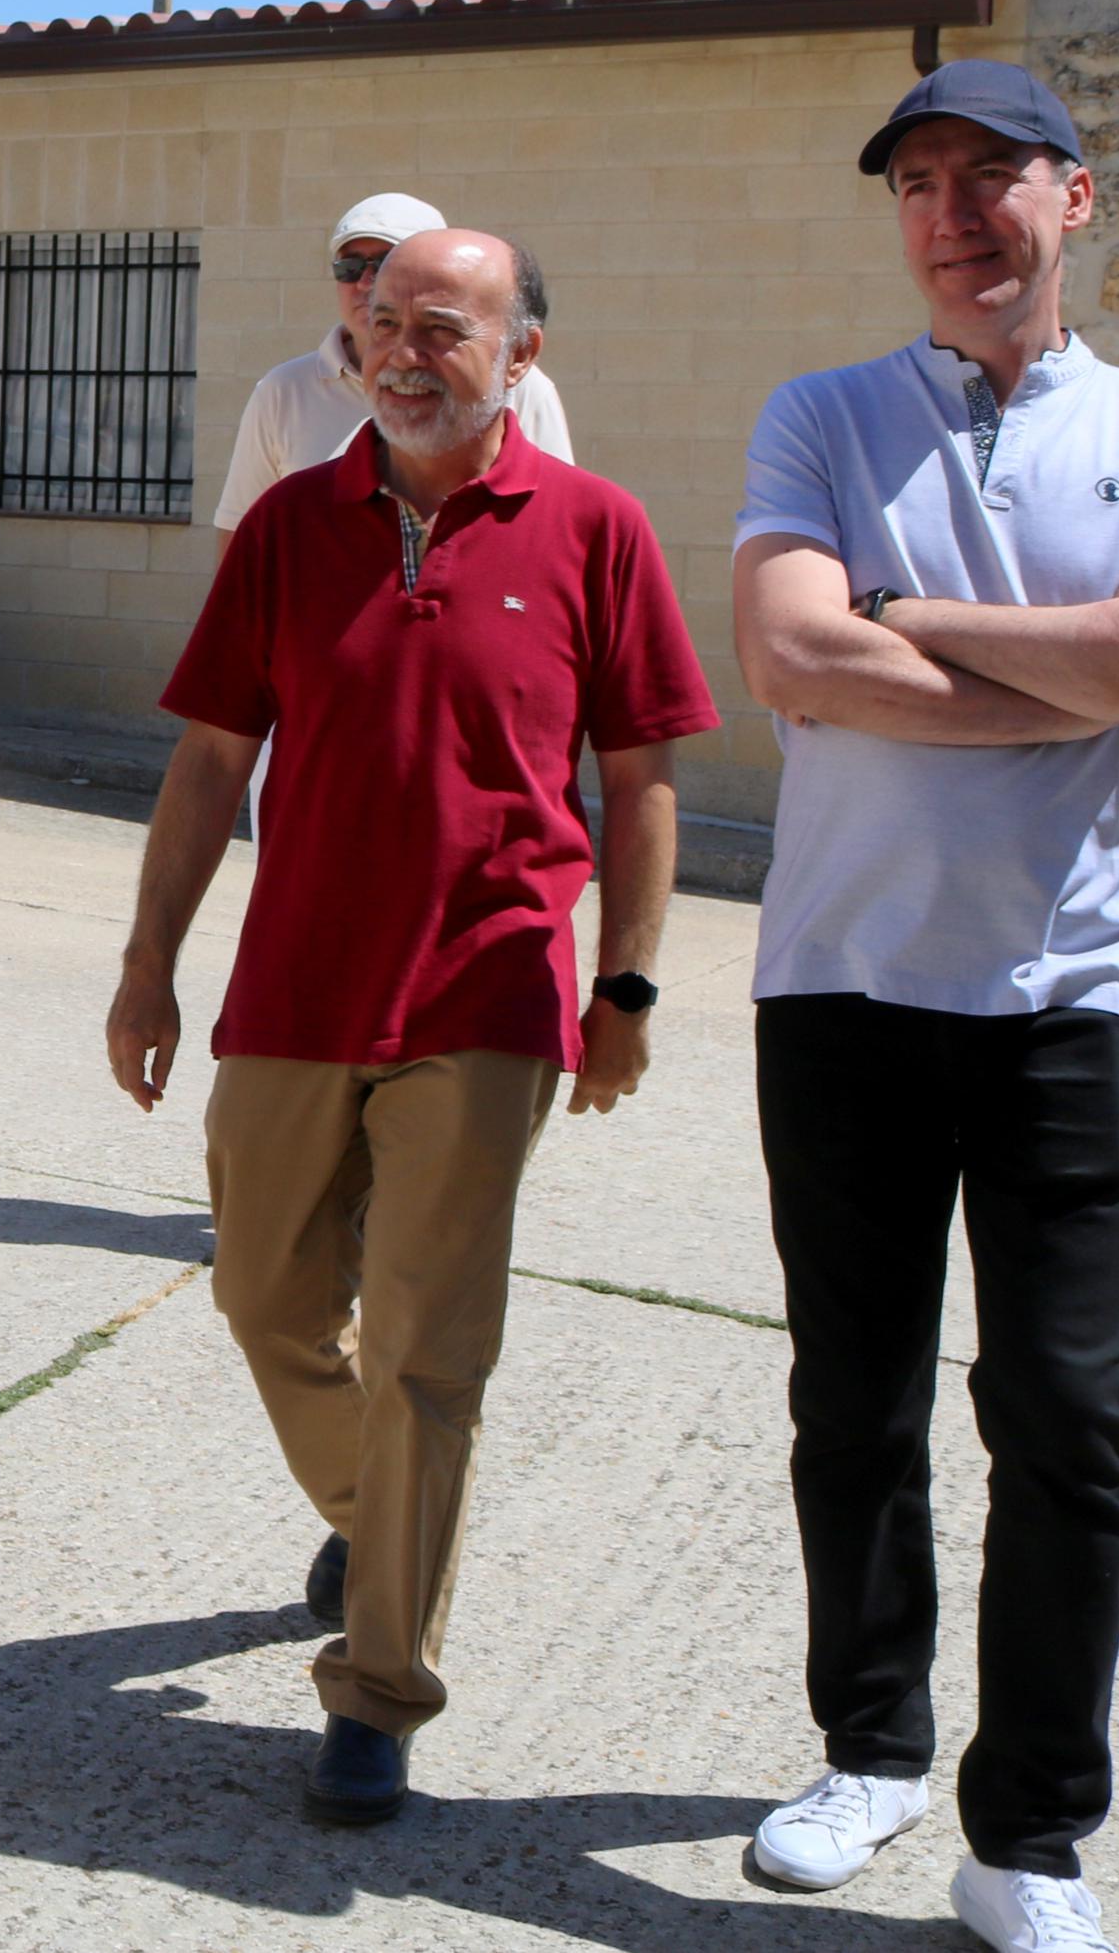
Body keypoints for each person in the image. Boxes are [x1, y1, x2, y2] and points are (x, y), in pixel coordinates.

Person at [105, 227, 715, 1827]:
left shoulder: (594, 528)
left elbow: (642, 780)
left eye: (440, 326)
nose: (398, 350)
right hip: (295, 981)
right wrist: (145, 960)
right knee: (260, 1294)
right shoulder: (290, 529)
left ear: (520, 353)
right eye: (379, 322)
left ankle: (376, 1690)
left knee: (428, 1351)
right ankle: (382, 1521)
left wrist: (626, 982)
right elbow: (201, 763)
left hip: (487, 991)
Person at [727, 63, 1119, 1953]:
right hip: (844, 981)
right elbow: (787, 648)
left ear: (1072, 201)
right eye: (917, 184)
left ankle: (1024, 1837)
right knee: (847, 1401)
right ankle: (865, 1746)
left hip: (1073, 995)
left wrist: (917, 623)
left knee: (1063, 1417)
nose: (951, 215)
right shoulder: (820, 417)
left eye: (989, 179)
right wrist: (1073, 680)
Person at [213, 194, 573, 532]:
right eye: (349, 267)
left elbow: (554, 519)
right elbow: (242, 536)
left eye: (385, 261)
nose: (366, 281)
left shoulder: (518, 386)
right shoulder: (283, 391)